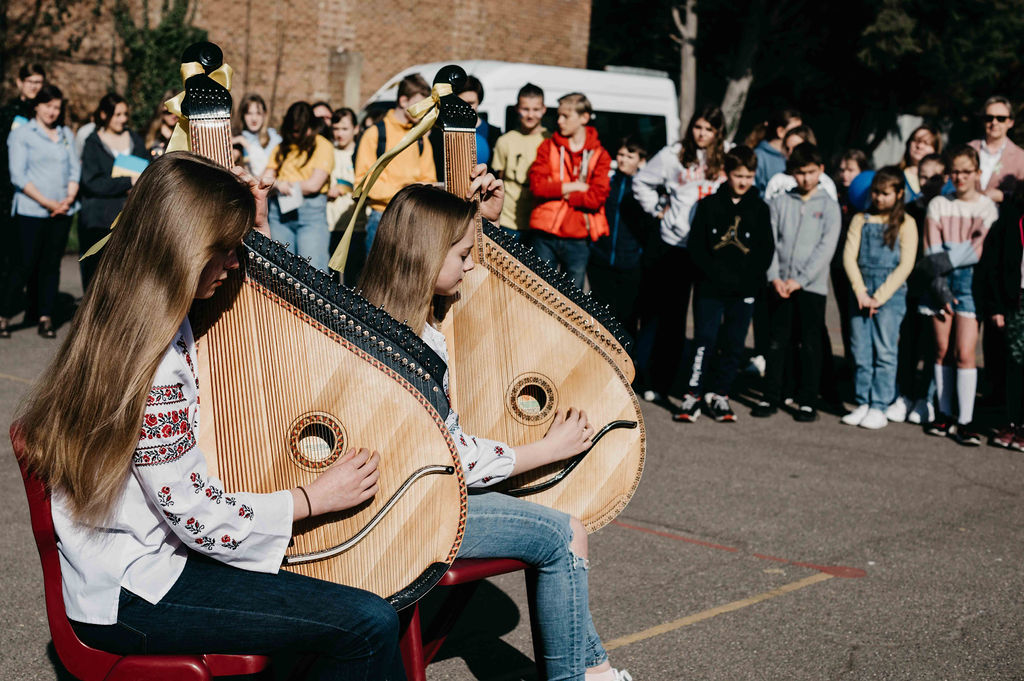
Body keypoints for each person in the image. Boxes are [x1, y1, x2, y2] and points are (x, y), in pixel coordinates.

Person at [14, 152, 404, 678]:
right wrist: (311, 499)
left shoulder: (132, 313)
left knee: (342, 592)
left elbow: (255, 320)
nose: (234, 263)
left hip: (135, 564)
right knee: (367, 621)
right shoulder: (154, 364)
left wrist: (256, 228)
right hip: (137, 589)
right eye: (224, 249)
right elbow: (194, 513)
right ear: (185, 248)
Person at [358, 175, 632, 681]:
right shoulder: (405, 342)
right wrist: (548, 448)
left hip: (420, 497)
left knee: (550, 514)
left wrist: (488, 221)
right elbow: (452, 458)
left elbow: (492, 295)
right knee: (563, 533)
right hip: (412, 511)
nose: (470, 265)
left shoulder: (384, 316)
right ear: (425, 255)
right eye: (463, 255)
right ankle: (578, 676)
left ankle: (594, 669)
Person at [632, 106, 727, 403]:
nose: (702, 134)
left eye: (709, 129)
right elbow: (641, 182)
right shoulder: (672, 155)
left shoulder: (725, 157)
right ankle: (654, 380)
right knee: (668, 317)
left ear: (718, 132)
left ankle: (696, 383)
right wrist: (657, 210)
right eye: (698, 127)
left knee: (705, 319)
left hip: (711, 249)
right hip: (675, 244)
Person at [673, 145, 774, 423]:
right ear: (727, 174)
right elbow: (696, 247)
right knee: (704, 341)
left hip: (743, 292)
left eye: (749, 176)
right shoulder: (708, 206)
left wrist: (746, 282)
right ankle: (693, 394)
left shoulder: (760, 209)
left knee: (734, 344)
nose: (743, 181)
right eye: (738, 175)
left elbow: (765, 251)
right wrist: (713, 276)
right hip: (710, 289)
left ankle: (720, 394)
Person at [752, 143, 841, 422]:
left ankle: (807, 400)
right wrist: (775, 277)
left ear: (821, 170)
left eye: (811, 172)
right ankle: (771, 396)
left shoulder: (829, 207)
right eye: (800, 172)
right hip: (780, 284)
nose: (805, 178)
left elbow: (825, 249)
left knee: (810, 344)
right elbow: (770, 241)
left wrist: (800, 280)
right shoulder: (780, 202)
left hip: (811, 287)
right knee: (777, 342)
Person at [918, 146, 997, 445]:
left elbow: (979, 249)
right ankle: (944, 413)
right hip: (939, 279)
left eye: (966, 172)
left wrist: (946, 257)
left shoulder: (987, 208)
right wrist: (939, 282)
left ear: (978, 173)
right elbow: (931, 247)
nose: (960, 177)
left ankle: (966, 420)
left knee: (965, 352)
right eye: (955, 172)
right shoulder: (939, 204)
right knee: (942, 349)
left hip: (970, 282)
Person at [839, 167, 918, 430]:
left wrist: (880, 297)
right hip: (861, 293)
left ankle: (880, 405)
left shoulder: (906, 223)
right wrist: (860, 291)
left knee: (885, 351)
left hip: (890, 296)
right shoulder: (860, 219)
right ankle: (863, 400)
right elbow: (849, 256)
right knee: (860, 350)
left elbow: (905, 265)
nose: (879, 198)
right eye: (876, 192)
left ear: (899, 194)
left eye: (885, 193)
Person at [2, 83, 79, 339]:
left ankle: (46, 317)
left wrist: (68, 198)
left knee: (51, 266)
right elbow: (18, 176)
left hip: (62, 211)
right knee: (23, 265)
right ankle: (4, 314)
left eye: (56, 107)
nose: (52, 112)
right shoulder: (23, 134)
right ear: (36, 106)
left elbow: (74, 169)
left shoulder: (65, 134)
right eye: (47, 105)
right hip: (31, 211)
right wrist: (48, 203)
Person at [527, 92, 611, 288]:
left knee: (573, 297)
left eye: (565, 116)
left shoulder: (600, 155)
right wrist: (577, 187)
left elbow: (596, 198)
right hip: (545, 234)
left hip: (578, 237)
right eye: (559, 115)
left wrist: (563, 193)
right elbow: (537, 186)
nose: (559, 121)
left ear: (584, 117)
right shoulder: (548, 147)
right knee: (539, 291)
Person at [354, 73, 436, 254]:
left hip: (414, 219)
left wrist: (419, 189)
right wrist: (403, 192)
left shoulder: (421, 138)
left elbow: (429, 179)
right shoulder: (375, 133)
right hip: (382, 217)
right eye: (419, 105)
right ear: (403, 100)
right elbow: (363, 182)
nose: (423, 111)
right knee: (378, 272)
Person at [893, 153, 946, 425]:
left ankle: (927, 397)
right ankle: (903, 394)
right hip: (911, 286)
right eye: (922, 177)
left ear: (945, 178)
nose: (926, 183)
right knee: (908, 343)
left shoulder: (948, 208)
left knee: (933, 346)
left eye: (933, 178)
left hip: (937, 288)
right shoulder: (910, 209)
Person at [78, 93, 148, 292]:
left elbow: (146, 169)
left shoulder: (135, 139)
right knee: (96, 279)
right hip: (100, 221)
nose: (123, 119)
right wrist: (128, 181)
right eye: (117, 114)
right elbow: (92, 182)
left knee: (125, 279)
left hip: (130, 218)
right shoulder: (93, 143)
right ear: (104, 115)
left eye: (125, 114)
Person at [587, 136, 654, 330]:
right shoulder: (606, 183)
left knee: (627, 319)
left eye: (630, 156)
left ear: (641, 161)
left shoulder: (645, 191)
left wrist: (639, 255)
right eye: (620, 154)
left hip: (631, 264)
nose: (623, 160)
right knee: (600, 319)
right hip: (600, 260)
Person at [262, 101, 334, 271]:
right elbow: (265, 179)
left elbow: (314, 184)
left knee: (312, 271)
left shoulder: (322, 145)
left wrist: (286, 185)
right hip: (280, 215)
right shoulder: (281, 148)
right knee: (281, 270)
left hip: (311, 215)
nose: (297, 135)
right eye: (293, 131)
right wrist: (278, 184)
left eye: (301, 130)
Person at [976, 193, 1024, 450]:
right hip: (1017, 300)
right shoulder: (1010, 218)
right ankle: (1013, 423)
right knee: (1015, 363)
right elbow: (992, 264)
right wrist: (996, 307)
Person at [1, 64, 45, 288]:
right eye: (31, 82)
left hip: (39, 187)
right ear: (20, 83)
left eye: (39, 82)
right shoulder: (8, 113)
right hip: (8, 188)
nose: (35, 87)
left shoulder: (45, 112)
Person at [491, 82, 548, 240]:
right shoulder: (505, 141)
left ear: (544, 109)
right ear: (517, 108)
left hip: (538, 221)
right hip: (508, 220)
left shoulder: (549, 140)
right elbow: (499, 177)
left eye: (536, 109)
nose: (530, 115)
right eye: (525, 109)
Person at [326, 107, 362, 282]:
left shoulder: (362, 153)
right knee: (331, 280)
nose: (339, 133)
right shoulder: (328, 152)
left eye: (344, 129)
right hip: (332, 225)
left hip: (357, 225)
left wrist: (345, 187)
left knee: (353, 279)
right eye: (336, 129)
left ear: (356, 129)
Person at [968, 96, 1024, 205]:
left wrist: (1003, 196)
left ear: (1010, 122)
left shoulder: (1021, 158)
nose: (994, 122)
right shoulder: (968, 149)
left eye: (1001, 118)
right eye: (989, 118)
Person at [745, 108, 802, 197]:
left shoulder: (796, 156)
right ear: (780, 131)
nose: (801, 134)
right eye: (795, 130)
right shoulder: (759, 156)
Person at [232, 92, 281, 177]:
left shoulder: (274, 139)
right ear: (242, 115)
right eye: (249, 113)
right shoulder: (235, 137)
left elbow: (261, 169)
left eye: (258, 113)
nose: (254, 119)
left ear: (264, 114)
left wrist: (244, 143)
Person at [900, 125, 942, 204]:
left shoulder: (944, 182)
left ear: (935, 149)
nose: (919, 146)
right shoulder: (895, 175)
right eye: (916, 141)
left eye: (926, 143)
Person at [144, 90, 179, 158]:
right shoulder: (148, 132)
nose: (173, 115)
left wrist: (170, 138)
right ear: (161, 110)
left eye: (176, 112)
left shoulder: (184, 133)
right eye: (169, 111)